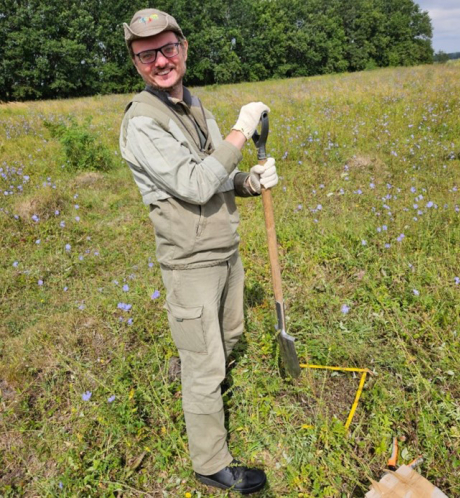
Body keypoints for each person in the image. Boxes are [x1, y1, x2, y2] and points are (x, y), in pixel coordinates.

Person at [118, 8, 276, 494]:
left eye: (168, 49)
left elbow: (212, 171)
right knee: (206, 364)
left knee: (229, 336)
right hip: (190, 262)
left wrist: (246, 182)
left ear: (183, 48)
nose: (161, 61)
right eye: (147, 55)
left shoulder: (192, 105)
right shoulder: (142, 122)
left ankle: (197, 381)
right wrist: (240, 131)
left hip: (224, 248)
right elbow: (192, 182)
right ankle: (211, 463)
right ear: (136, 62)